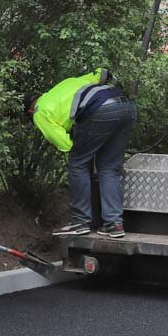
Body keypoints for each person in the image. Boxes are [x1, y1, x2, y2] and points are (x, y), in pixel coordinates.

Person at [32, 68, 136, 239]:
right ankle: (113, 224)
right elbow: (101, 73)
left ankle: (80, 222)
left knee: (77, 164)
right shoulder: (66, 84)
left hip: (101, 110)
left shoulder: (39, 112)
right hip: (127, 105)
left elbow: (65, 144)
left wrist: (81, 146)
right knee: (109, 168)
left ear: (30, 110)